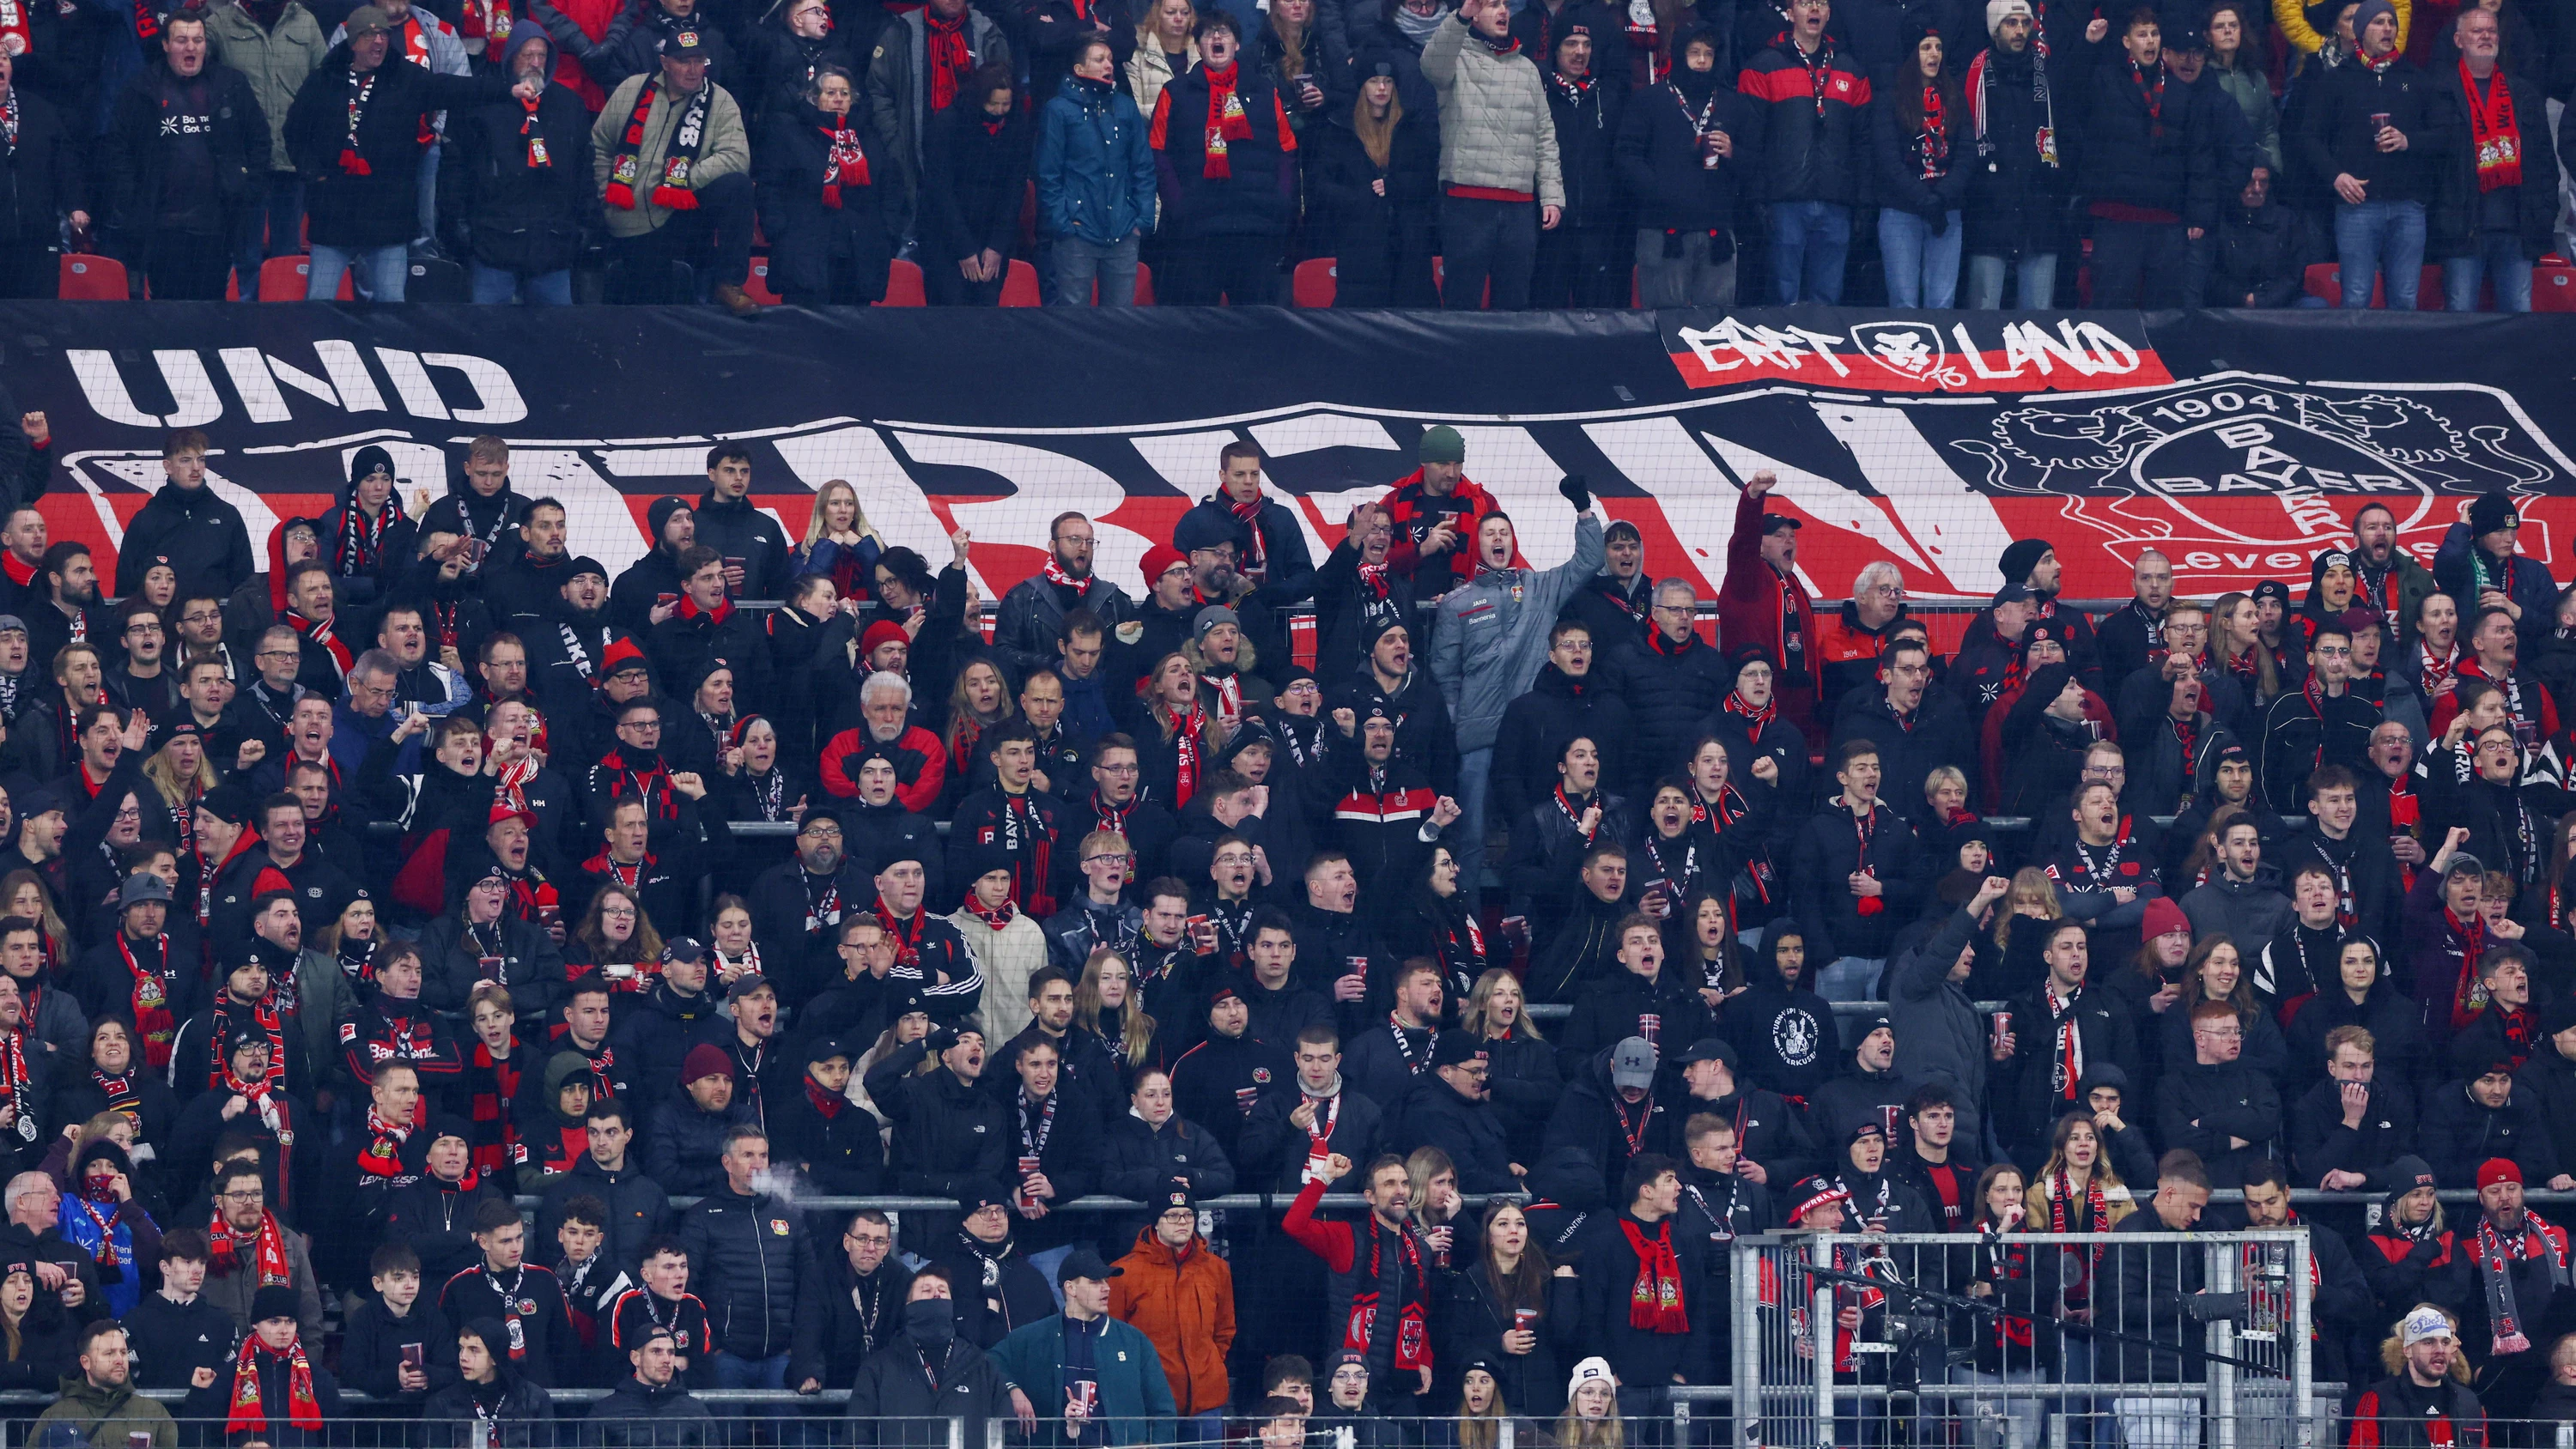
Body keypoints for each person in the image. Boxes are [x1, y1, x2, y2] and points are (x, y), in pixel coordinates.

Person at [1425, 479, 1605, 911]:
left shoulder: (1540, 587)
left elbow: (1589, 560)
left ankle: (1526, 923)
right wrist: (1457, 722)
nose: (1498, 539)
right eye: (1489, 533)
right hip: (1479, 739)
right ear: (1479, 546)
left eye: (1504, 532)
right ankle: (1465, 928)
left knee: (1539, 833)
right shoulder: (1457, 603)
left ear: (1514, 541)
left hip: (1532, 739)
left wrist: (1583, 508)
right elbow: (1443, 673)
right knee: (1469, 836)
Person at [592, 30, 758, 314]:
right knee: (651, 308)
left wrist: (682, 181)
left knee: (737, 187)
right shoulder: (633, 88)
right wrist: (605, 191)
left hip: (683, 212)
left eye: (699, 61)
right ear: (665, 62)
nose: (694, 70)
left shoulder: (719, 100)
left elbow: (737, 156)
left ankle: (728, 283)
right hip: (629, 213)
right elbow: (600, 144)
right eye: (684, 62)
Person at [104, 11, 265, 300]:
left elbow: (259, 141)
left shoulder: (231, 85)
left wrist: (246, 188)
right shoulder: (141, 89)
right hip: (162, 229)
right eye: (181, 40)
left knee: (212, 311)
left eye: (197, 40)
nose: (191, 47)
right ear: (165, 45)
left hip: (217, 228)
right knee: (168, 313)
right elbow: (117, 150)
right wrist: (133, 195)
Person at [2296, 0, 2444, 309]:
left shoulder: (2416, 79)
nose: (2387, 28)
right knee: (2356, 298)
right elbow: (2308, 137)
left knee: (2405, 300)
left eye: (2391, 22)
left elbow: (2445, 136)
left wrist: (2408, 141)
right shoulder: (2336, 79)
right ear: (2360, 32)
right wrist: (2336, 176)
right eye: (2378, 22)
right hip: (2357, 207)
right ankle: (2356, 359)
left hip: (2408, 206)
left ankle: (2401, 359)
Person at [1420, 0, 1563, 310]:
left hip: (1519, 208)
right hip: (1466, 204)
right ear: (1474, 14)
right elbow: (1430, 65)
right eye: (1491, 5)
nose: (1502, 12)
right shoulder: (1455, 59)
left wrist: (1551, 195)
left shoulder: (1528, 70)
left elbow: (1544, 136)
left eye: (1505, 5)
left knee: (1514, 303)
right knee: (1461, 301)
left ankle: (1509, 360)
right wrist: (1460, 17)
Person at [441, 20, 595, 306]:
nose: (535, 63)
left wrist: (584, 229)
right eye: (527, 55)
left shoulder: (570, 106)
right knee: (487, 338)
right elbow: (456, 171)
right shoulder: (482, 107)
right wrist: (460, 228)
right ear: (511, 57)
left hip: (554, 247)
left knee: (556, 340)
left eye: (542, 56)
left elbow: (585, 173)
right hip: (493, 246)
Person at [1147, 11, 1297, 304]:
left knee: (1258, 330)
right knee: (1195, 331)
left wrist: (1279, 201)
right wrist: (1179, 204)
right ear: (1199, 47)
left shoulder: (1266, 91)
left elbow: (1288, 152)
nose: (1217, 37)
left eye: (1224, 32)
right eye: (1208, 34)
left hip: (1256, 230)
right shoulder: (1175, 93)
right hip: (1196, 233)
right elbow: (1157, 153)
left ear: (1238, 45)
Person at [1738, 0, 1868, 302]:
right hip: (1784, 202)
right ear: (1790, 12)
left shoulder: (1852, 69)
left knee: (1827, 303)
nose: (1814, 10)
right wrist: (1757, 196)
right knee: (1783, 302)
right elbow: (1750, 139)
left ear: (1830, 13)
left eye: (1821, 4)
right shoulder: (1763, 66)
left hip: (1836, 202)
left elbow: (1862, 143)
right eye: (1806, 3)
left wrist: (1863, 201)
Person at [2431, 5, 2556, 312]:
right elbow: (2430, 166)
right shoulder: (2439, 92)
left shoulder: (2524, 93)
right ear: (2459, 40)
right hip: (2462, 230)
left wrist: (2544, 215)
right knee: (2460, 321)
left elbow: (2544, 162)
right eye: (2477, 31)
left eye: (2491, 31)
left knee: (2518, 319)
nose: (2486, 36)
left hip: (2517, 230)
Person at [754, 64, 894, 306]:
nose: (838, 99)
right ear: (814, 98)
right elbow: (770, 187)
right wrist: (779, 233)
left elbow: (891, 190)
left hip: (858, 257)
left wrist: (887, 237)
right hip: (805, 253)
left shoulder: (869, 138)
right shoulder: (790, 133)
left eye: (845, 93)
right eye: (830, 93)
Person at [846, 1268, 1013, 1448]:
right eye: (926, 1291)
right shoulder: (879, 1368)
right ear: (909, 1304)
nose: (936, 1295)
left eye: (942, 1291)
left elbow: (1007, 1433)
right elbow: (858, 1436)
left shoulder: (981, 1365)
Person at [1874, 16, 1965, 307]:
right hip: (1901, 210)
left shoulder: (1955, 97)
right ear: (1912, 55)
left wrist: (1941, 197)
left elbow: (1968, 154)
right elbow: (1887, 159)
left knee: (1942, 304)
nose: (1935, 54)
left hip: (1946, 210)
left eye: (1938, 47)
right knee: (1904, 303)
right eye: (1926, 47)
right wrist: (1922, 198)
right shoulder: (1891, 100)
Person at [179, 1284, 342, 1446]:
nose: (284, 1330)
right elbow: (204, 1437)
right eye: (275, 1322)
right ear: (256, 1324)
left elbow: (338, 1438)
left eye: (290, 1321)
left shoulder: (318, 1377)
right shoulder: (229, 1375)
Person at [2349, 1307, 2487, 1449]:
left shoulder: (2468, 1401)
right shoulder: (2378, 1398)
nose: (2440, 1349)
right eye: (2428, 1342)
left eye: (2445, 1342)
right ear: (2408, 1350)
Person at [30, 1320, 175, 1448]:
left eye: (123, 1352)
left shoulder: (154, 1412)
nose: (120, 1360)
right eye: (109, 1353)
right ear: (85, 1362)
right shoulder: (56, 1416)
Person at [422, 1317, 556, 1446]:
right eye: (461, 1348)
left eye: (473, 1350)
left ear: (495, 1358)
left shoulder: (534, 1400)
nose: (463, 1357)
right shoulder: (442, 1403)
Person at [588, 1323, 714, 1446]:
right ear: (635, 1358)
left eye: (671, 1352)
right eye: (656, 1352)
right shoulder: (605, 1412)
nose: (666, 1359)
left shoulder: (696, 1411)